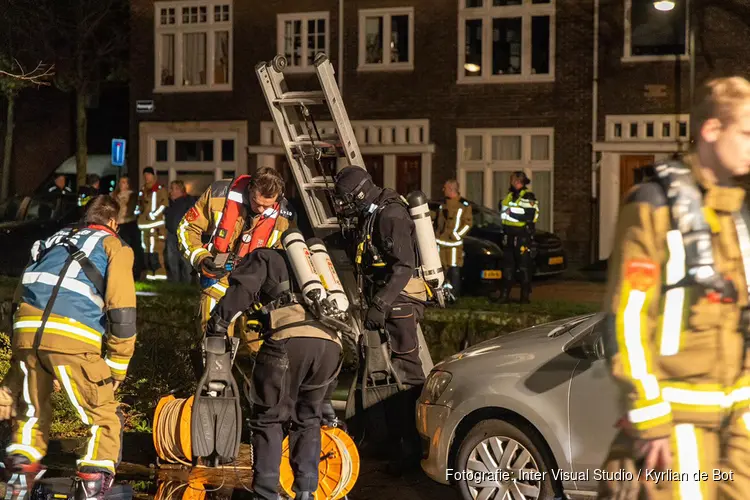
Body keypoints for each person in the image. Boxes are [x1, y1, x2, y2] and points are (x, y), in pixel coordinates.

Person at [597, 77, 750, 499]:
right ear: (712, 131)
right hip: (676, 428)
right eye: (747, 133)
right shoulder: (653, 207)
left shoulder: (736, 217)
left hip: (735, 424)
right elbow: (627, 320)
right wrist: (649, 418)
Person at [0, 195, 137, 500]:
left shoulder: (51, 240)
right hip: (74, 336)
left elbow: (18, 295)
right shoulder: (114, 246)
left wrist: (20, 355)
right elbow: (122, 311)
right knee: (103, 415)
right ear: (112, 222)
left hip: (26, 333)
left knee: (32, 411)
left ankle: (20, 475)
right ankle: (92, 485)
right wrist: (117, 365)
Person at [204, 248, 342, 500]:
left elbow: (241, 292)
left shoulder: (264, 257)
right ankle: (306, 491)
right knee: (308, 419)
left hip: (288, 340)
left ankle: (266, 493)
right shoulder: (317, 263)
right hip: (331, 345)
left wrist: (217, 324)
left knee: (269, 418)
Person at [333, 166, 429, 471]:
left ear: (359, 194)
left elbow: (403, 266)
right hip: (386, 299)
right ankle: (387, 439)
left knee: (407, 372)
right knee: (379, 369)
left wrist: (381, 304)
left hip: (400, 300)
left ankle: (415, 448)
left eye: (346, 200)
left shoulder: (391, 216)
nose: (343, 206)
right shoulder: (372, 213)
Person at [177, 167, 292, 350]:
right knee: (213, 337)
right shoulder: (219, 194)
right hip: (217, 279)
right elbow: (187, 228)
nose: (261, 210)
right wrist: (201, 257)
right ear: (249, 190)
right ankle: (214, 375)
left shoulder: (284, 215)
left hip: (256, 288)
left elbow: (282, 254)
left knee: (262, 346)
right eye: (256, 203)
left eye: (267, 206)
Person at [497, 171, 539, 304]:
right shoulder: (510, 196)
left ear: (518, 181)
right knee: (507, 267)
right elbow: (503, 210)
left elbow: (530, 216)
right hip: (508, 235)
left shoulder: (528, 196)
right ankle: (504, 295)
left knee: (523, 267)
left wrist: (511, 213)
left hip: (522, 236)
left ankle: (524, 297)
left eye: (513, 180)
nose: (511, 182)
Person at [434, 179, 472, 299]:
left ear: (451, 189)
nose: (443, 190)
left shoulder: (463, 205)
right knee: (442, 270)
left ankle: (454, 295)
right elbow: (439, 222)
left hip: (454, 245)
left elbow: (467, 224)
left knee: (454, 270)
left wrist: (457, 235)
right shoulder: (443, 204)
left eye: (445, 188)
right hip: (441, 243)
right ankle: (443, 295)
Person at [137, 167, 169, 281]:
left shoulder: (159, 189)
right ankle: (150, 275)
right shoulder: (143, 189)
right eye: (145, 175)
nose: (146, 177)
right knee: (146, 249)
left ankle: (160, 276)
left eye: (148, 175)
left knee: (155, 249)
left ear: (153, 176)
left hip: (155, 224)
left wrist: (154, 214)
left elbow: (164, 204)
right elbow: (140, 203)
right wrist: (138, 210)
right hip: (144, 224)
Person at [164, 180, 196, 284]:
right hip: (171, 234)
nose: (171, 191)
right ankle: (175, 282)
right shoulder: (169, 202)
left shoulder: (188, 201)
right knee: (172, 259)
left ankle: (187, 283)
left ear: (179, 190)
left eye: (173, 189)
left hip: (183, 234)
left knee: (185, 260)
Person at [111, 176, 141, 280]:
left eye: (124, 182)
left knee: (130, 248)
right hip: (118, 225)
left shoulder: (132, 196)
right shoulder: (114, 196)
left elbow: (134, 209)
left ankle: (133, 273)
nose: (121, 184)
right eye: (120, 182)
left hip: (129, 223)